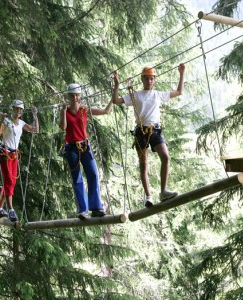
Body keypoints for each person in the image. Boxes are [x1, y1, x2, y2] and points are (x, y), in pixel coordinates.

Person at [112, 64, 185, 207]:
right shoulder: (135, 95)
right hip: (141, 132)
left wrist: (182, 73)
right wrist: (116, 84)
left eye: (151, 79)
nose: (149, 82)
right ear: (142, 79)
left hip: (155, 130)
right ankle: (148, 196)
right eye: (147, 79)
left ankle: (163, 191)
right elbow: (116, 100)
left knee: (165, 156)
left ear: (154, 80)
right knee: (143, 164)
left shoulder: (158, 94)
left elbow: (179, 91)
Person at [59, 83, 113, 220]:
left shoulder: (85, 110)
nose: (75, 97)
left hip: (85, 146)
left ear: (80, 96)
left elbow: (106, 111)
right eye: (72, 95)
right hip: (71, 148)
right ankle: (83, 210)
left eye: (77, 95)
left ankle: (95, 208)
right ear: (68, 97)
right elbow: (63, 127)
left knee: (93, 174)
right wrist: (62, 111)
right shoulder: (65, 111)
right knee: (77, 179)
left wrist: (114, 94)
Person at [0, 99, 39, 222]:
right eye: (16, 109)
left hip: (13, 155)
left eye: (20, 109)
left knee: (12, 182)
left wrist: (35, 116)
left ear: (22, 111)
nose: (18, 111)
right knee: (9, 181)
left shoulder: (22, 123)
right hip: (5, 153)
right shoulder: (7, 121)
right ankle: (10, 209)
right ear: (12, 109)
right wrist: (1, 121)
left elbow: (35, 129)